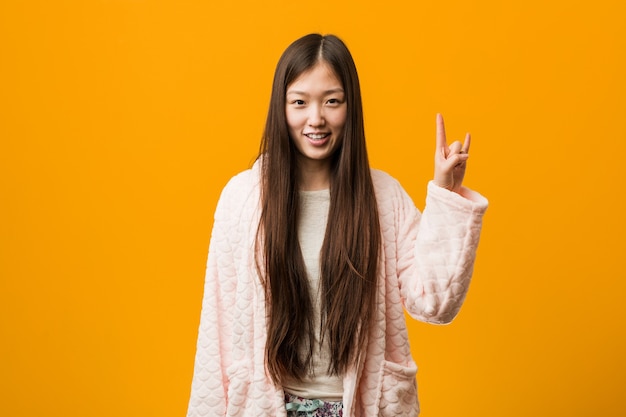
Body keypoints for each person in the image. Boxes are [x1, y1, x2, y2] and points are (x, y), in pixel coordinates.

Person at [186, 33, 488, 417]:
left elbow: (434, 303)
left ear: (351, 106)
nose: (316, 119)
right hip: (266, 406)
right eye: (299, 102)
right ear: (281, 108)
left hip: (362, 406)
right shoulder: (242, 199)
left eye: (332, 101)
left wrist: (446, 194)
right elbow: (216, 331)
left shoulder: (383, 197)